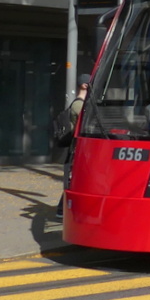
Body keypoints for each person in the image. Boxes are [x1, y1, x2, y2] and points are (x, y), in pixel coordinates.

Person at [55, 74, 91, 221]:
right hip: (75, 149)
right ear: (84, 85)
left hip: (76, 149)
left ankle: (62, 209)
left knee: (73, 180)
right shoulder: (79, 105)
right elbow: (85, 124)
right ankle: (61, 209)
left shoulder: (81, 104)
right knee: (72, 180)